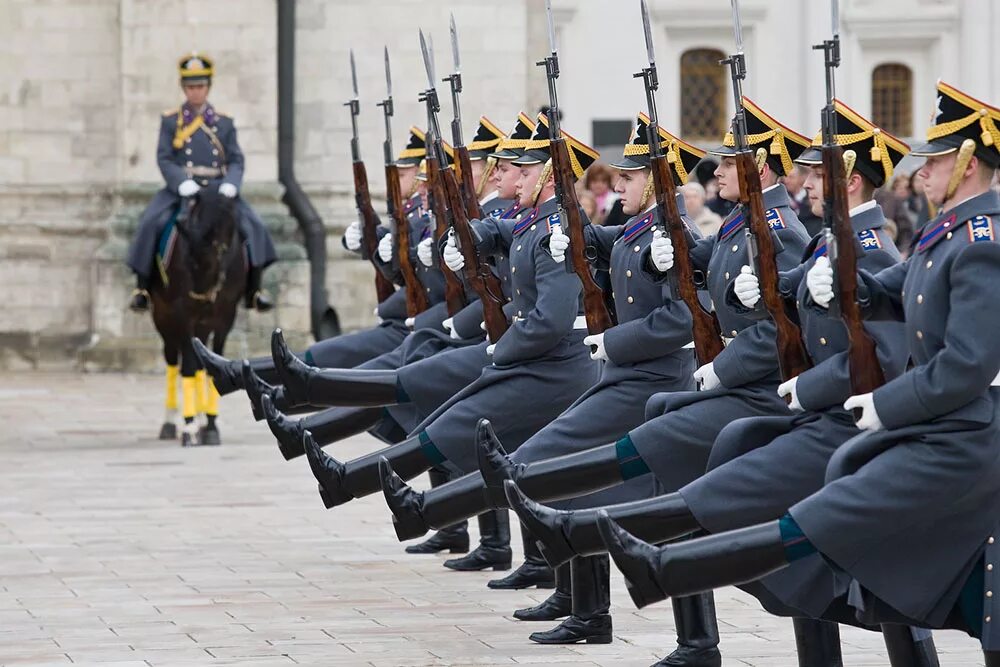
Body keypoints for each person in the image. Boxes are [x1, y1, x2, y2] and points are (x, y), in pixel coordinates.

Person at [381, 98, 815, 665]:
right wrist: (587, 237)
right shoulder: (716, 224)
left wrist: (680, 355)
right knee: (612, 479)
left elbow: (744, 322)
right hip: (665, 382)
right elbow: (680, 265)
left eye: (633, 176)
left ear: (761, 167)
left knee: (590, 474)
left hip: (720, 385)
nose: (719, 172)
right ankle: (629, 610)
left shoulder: (775, 227)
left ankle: (472, 518)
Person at [506, 100, 939, 666]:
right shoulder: (818, 242)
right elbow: (766, 292)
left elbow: (881, 353)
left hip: (826, 413)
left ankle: (584, 527)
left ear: (850, 181)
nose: (803, 182)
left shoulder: (854, 245)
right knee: (793, 534)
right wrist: (689, 260)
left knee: (860, 563)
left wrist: (778, 379)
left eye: (814, 174)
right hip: (806, 406)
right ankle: (604, 540)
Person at [595, 79, 1000, 667]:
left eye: (936, 160)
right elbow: (884, 294)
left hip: (958, 430)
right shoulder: (944, 236)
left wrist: (884, 403)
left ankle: (658, 563)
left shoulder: (979, 240)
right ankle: (654, 561)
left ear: (967, 163)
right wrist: (835, 287)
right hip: (930, 422)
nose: (924, 172)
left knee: (837, 523)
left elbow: (959, 362)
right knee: (851, 534)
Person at [127, 53, 277, 313]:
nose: (195, 92)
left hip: (218, 190)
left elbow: (236, 160)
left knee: (252, 225)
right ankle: (143, 289)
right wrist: (181, 183)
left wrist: (231, 183)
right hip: (183, 191)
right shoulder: (171, 121)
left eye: (200, 86)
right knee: (151, 223)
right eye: (190, 87)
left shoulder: (224, 122)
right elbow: (164, 158)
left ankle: (255, 290)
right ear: (184, 88)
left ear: (208, 87)